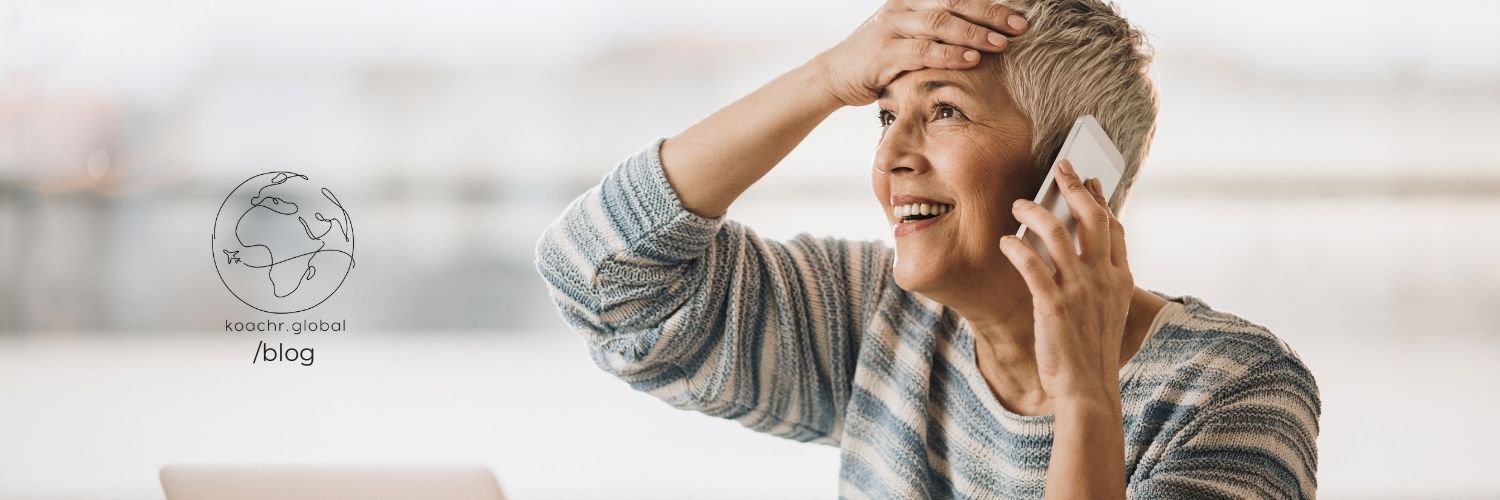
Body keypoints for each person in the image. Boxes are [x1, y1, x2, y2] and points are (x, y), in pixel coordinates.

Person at [534, 0, 1320, 497]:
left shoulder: (1234, 392)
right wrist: (826, 78)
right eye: (883, 116)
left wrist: (1085, 399)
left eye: (942, 111)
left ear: (1072, 170)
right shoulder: (882, 316)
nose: (891, 157)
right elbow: (601, 277)